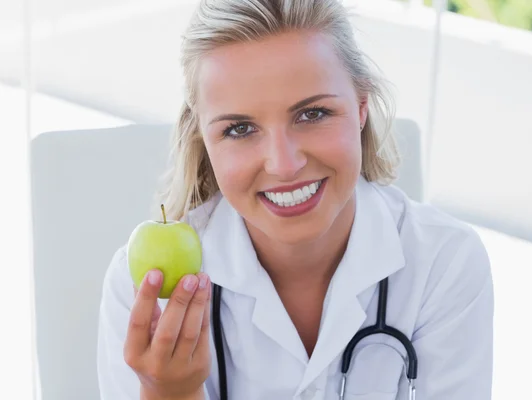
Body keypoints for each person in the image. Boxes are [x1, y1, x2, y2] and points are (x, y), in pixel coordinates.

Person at [97, 0, 494, 399]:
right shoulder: (147, 295)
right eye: (239, 129)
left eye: (313, 114)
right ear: (204, 139)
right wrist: (172, 392)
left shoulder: (445, 263)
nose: (284, 165)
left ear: (361, 108)